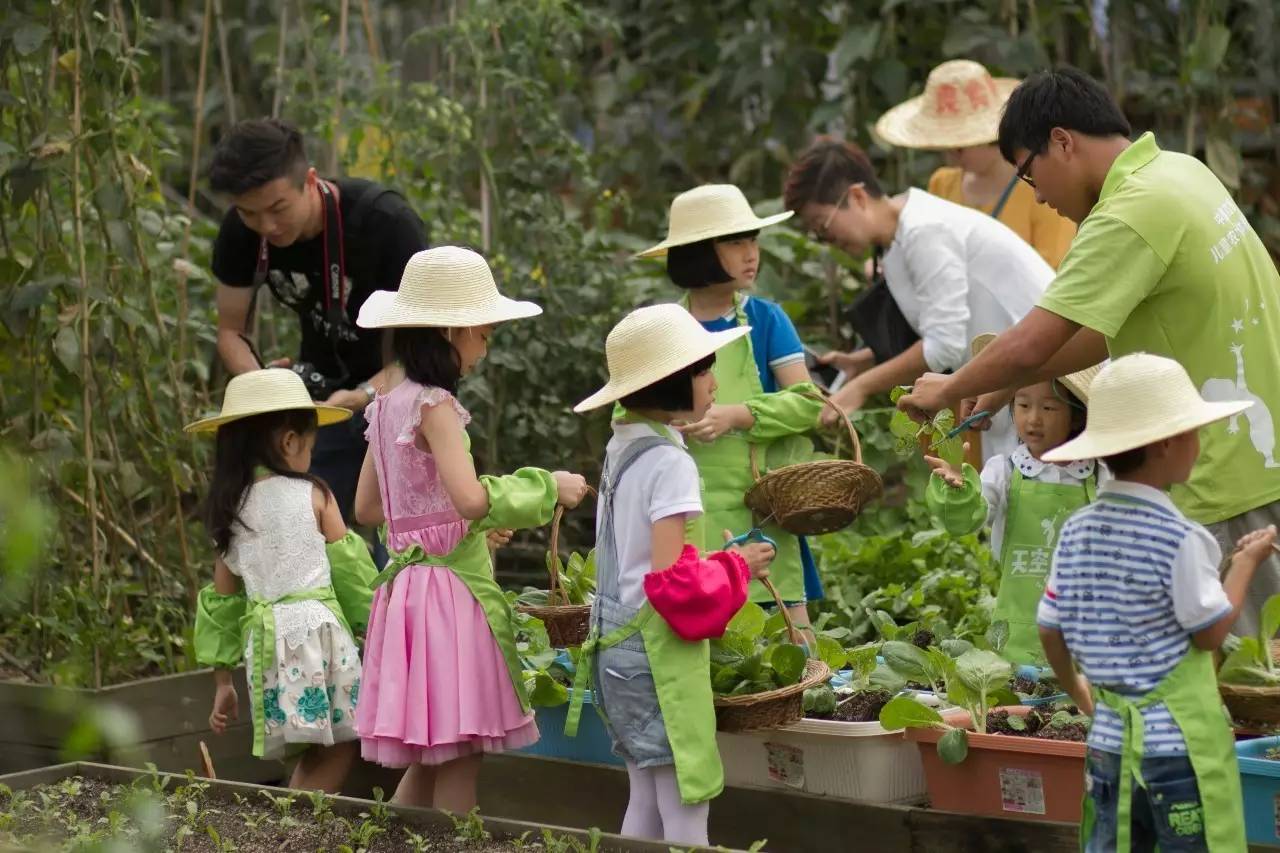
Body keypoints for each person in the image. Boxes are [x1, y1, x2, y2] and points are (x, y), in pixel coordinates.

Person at [896, 66, 1280, 635]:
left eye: (1028, 175)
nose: (1040, 196)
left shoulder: (1128, 212)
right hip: (1261, 448)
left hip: (1222, 473)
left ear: (1062, 141)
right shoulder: (1180, 173)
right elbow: (1099, 333)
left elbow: (1035, 337)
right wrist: (998, 390)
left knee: (1240, 681)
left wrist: (947, 387)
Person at [351, 246, 589, 812]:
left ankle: (391, 843)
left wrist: (459, 525)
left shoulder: (384, 405)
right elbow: (471, 496)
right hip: (448, 599)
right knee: (461, 751)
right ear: (455, 330)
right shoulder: (435, 405)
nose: (485, 349)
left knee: (434, 752)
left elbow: (368, 508)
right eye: (484, 334)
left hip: (406, 591)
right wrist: (547, 487)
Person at [1036, 353, 1271, 851]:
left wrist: (1080, 693)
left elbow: (1050, 630)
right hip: (1178, 751)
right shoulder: (1180, 537)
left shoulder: (1076, 531)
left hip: (1108, 742)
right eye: (1192, 431)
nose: (1198, 443)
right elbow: (1208, 632)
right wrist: (1245, 565)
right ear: (1166, 443)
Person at [568, 303, 759, 846]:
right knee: (684, 805)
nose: (713, 381)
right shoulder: (671, 462)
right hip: (656, 657)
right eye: (702, 369)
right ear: (672, 381)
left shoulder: (623, 446)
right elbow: (671, 581)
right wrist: (738, 566)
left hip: (614, 649)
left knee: (644, 798)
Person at [209, 118, 428, 531]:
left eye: (278, 209)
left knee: (401, 543)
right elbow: (230, 331)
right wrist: (267, 390)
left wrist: (363, 395)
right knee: (301, 528)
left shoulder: (385, 223)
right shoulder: (241, 233)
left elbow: (430, 350)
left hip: (407, 394)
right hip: (323, 404)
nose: (267, 228)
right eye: (250, 214)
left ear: (310, 180)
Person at [783, 137, 1053, 461]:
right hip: (1007, 384)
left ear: (857, 197)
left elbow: (944, 345)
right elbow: (940, 325)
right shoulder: (898, 237)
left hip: (1045, 384)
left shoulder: (924, 231)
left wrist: (863, 386)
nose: (826, 240)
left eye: (822, 226)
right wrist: (864, 361)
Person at [636, 184, 822, 628]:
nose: (750, 253)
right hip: (687, 513)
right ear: (700, 251)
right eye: (735, 242)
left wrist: (737, 416)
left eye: (752, 240)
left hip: (763, 511)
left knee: (790, 652)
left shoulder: (765, 320)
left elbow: (809, 404)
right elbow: (631, 416)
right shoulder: (665, 329)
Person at [189, 368, 378, 793]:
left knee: (312, 749)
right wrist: (373, 623)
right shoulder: (315, 493)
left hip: (267, 647)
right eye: (309, 445)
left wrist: (223, 682)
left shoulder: (229, 511)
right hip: (318, 639)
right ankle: (299, 827)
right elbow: (350, 571)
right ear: (289, 442)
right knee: (342, 743)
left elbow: (222, 607)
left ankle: (291, 821)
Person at [925, 335, 1103, 665]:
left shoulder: (1098, 476)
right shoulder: (1005, 472)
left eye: (1048, 407)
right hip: (1018, 629)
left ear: (1078, 417)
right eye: (1022, 405)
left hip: (1086, 632)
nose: (1033, 419)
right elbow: (969, 518)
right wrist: (959, 491)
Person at [875, 59, 1076, 269]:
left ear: (989, 139)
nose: (952, 155)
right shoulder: (942, 184)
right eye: (945, 144)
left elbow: (1052, 271)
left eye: (960, 146)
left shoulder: (1042, 190)